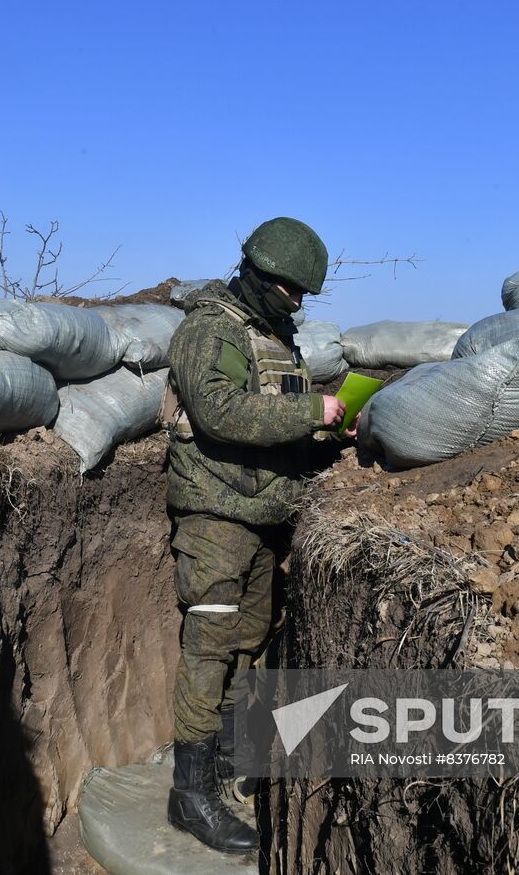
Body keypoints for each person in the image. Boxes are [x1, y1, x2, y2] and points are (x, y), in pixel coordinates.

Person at [161, 217, 354, 853]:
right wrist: (308, 410)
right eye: (291, 290)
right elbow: (217, 411)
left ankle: (224, 762)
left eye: (306, 295)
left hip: (265, 516)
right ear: (258, 274)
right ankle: (189, 795)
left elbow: (270, 417)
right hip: (217, 517)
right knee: (210, 647)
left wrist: (325, 431)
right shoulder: (210, 327)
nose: (297, 303)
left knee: (248, 641)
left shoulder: (276, 337)